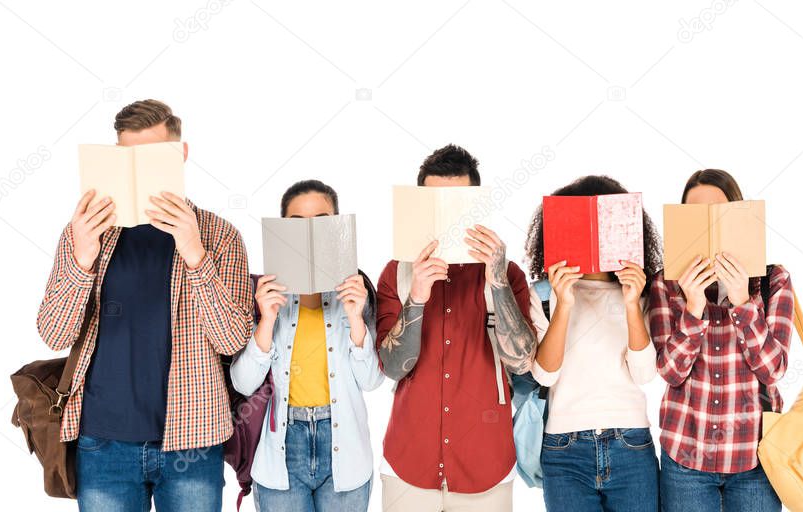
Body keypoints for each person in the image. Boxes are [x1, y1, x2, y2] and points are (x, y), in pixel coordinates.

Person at [35, 99, 253, 511]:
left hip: (193, 441)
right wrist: (82, 258)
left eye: (153, 158)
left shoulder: (220, 236)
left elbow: (231, 340)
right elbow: (53, 333)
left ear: (181, 154)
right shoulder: (85, 233)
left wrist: (194, 252)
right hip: (103, 443)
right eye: (128, 157)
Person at [375, 144, 538, 511]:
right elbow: (392, 367)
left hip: (486, 462)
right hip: (408, 463)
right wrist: (416, 296)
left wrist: (496, 279)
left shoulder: (507, 273)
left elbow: (523, 361)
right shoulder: (396, 272)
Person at [230, 180, 383, 512]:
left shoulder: (356, 292)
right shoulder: (265, 292)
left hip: (345, 452)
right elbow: (243, 382)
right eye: (298, 224)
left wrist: (356, 317)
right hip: (282, 452)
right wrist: (267, 319)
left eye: (322, 221)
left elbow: (372, 381)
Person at [649, 169, 793, 512]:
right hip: (685, 457)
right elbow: (670, 373)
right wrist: (694, 306)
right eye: (695, 215)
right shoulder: (665, 284)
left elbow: (773, 370)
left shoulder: (773, 279)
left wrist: (743, 301)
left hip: (755, 460)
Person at [523, 176, 662, 512]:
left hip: (631, 444)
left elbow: (644, 374)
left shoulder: (641, 294)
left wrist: (631, 303)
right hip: (564, 450)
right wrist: (565, 302)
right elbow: (544, 375)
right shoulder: (543, 295)